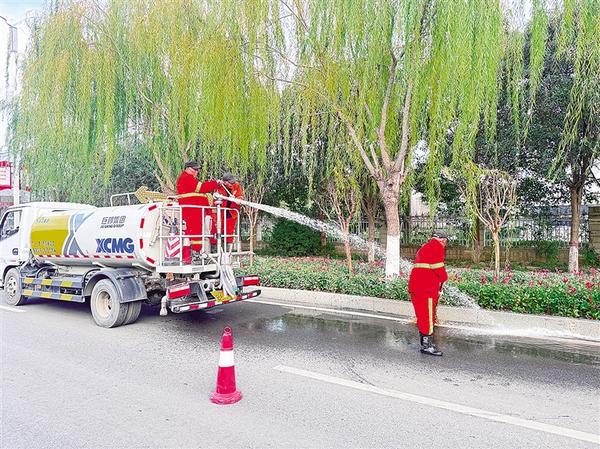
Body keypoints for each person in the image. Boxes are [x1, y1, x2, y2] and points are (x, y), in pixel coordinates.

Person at [408, 230, 449, 356]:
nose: (445, 244)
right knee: (427, 316)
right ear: (443, 240)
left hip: (415, 287)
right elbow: (438, 267)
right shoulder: (437, 246)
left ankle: (425, 342)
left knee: (422, 315)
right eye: (446, 241)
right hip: (426, 288)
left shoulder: (424, 247)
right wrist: (444, 278)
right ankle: (427, 346)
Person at [176, 161, 219, 254]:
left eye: (197, 170)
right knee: (196, 231)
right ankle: (196, 252)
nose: (197, 172)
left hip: (197, 210)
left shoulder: (188, 178)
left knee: (202, 230)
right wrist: (215, 183)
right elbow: (202, 188)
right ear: (188, 169)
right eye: (195, 169)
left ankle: (204, 250)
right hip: (193, 210)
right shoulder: (186, 178)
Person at [211, 172, 244, 250]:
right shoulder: (219, 186)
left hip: (231, 212)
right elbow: (215, 197)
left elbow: (240, 195)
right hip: (220, 212)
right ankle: (214, 249)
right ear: (225, 182)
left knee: (229, 231)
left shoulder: (236, 185)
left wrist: (238, 199)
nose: (232, 184)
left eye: (232, 182)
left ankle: (228, 251)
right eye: (230, 183)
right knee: (216, 229)